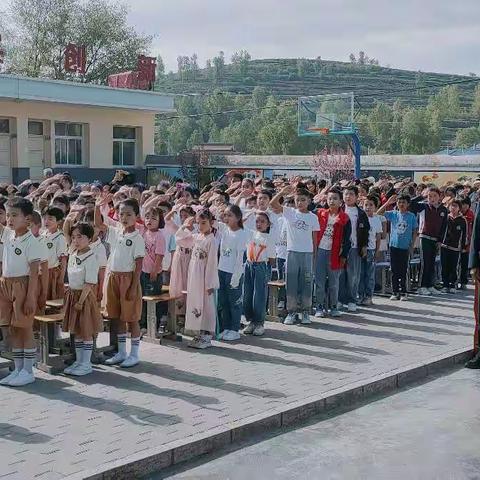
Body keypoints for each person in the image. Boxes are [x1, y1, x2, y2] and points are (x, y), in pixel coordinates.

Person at [95, 197, 145, 368]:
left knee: (131, 318)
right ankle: (122, 352)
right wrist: (97, 205)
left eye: (129, 214)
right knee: (117, 318)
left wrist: (133, 286)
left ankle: (134, 353)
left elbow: (139, 264)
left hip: (128, 279)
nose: (124, 217)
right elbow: (98, 224)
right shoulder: (116, 231)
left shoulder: (137, 237)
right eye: (121, 214)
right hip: (113, 277)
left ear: (136, 216)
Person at [0, 198, 42, 387]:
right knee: (14, 327)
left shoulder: (32, 242)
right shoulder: (8, 235)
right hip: (6, 284)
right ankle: (18, 369)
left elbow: (34, 273)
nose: (9, 219)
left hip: (23, 285)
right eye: (8, 215)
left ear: (28, 219)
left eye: (15, 215)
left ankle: (28, 370)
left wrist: (31, 297)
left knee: (25, 327)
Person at [270, 184, 320, 325]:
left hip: (307, 254)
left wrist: (314, 255)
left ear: (309, 201)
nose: (300, 203)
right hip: (291, 253)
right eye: (298, 200)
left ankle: (305, 311)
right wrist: (281, 192)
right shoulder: (290, 212)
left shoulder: (312, 217)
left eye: (303, 200)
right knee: (291, 284)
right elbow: (273, 203)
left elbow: (314, 238)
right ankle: (291, 312)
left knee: (306, 283)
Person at [175, 209, 219, 349]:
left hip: (204, 278)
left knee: (206, 305)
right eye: (198, 223)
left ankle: (206, 335)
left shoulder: (212, 240)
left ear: (211, 223)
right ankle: (198, 333)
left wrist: (210, 283)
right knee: (195, 302)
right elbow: (180, 240)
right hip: (194, 276)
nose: (200, 226)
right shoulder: (196, 237)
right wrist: (185, 226)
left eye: (204, 223)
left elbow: (212, 263)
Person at [62, 223, 102, 376]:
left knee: (85, 330)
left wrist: (80, 301)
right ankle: (79, 361)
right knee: (76, 330)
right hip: (73, 295)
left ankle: (86, 363)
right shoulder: (73, 253)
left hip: (84, 298)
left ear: (89, 239)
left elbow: (89, 283)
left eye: (80, 237)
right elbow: (66, 229)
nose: (76, 240)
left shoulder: (91, 257)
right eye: (73, 237)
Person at [314, 188, 351, 317]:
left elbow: (347, 240)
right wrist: (316, 199)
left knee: (334, 282)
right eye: (329, 198)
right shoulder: (320, 213)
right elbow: (307, 210)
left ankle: (334, 306)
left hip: (335, 253)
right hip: (320, 252)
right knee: (319, 281)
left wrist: (343, 255)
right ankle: (319, 307)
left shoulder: (345, 218)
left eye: (335, 198)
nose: (332, 201)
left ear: (341, 201)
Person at [217, 205, 248, 341]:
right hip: (222, 270)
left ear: (238, 217)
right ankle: (226, 327)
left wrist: (236, 276)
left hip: (234, 272)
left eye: (230, 215)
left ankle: (235, 329)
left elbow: (240, 257)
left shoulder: (241, 234)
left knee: (234, 302)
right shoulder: (224, 230)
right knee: (223, 301)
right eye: (226, 215)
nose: (227, 218)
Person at [378, 194, 418, 300]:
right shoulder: (394, 214)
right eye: (399, 202)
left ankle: (404, 291)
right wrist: (388, 203)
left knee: (403, 270)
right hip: (393, 246)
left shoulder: (411, 216)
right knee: (394, 270)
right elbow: (378, 213)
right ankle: (395, 292)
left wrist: (412, 245)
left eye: (403, 202)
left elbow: (415, 231)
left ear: (408, 204)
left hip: (405, 247)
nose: (401, 204)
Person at [243, 211, 276, 336]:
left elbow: (272, 259)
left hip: (261, 266)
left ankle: (259, 322)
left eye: (263, 221)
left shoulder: (269, 238)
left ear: (268, 225)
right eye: (257, 221)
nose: (259, 224)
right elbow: (241, 224)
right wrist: (250, 213)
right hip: (249, 265)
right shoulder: (250, 234)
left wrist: (266, 270)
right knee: (247, 294)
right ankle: (251, 321)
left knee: (259, 296)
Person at [410, 187, 448, 295]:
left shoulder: (444, 210)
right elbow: (411, 203)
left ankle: (430, 285)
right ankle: (421, 286)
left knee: (432, 263)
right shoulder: (423, 206)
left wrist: (441, 240)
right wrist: (421, 195)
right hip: (424, 237)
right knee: (425, 262)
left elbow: (444, 227)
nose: (432, 198)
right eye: (429, 196)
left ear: (440, 197)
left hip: (435, 240)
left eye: (434, 196)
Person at [339, 185, 370, 311]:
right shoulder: (338, 210)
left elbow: (365, 231)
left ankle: (352, 299)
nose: (348, 196)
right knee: (340, 275)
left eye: (351, 194)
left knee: (353, 275)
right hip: (340, 248)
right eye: (346, 194)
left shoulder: (361, 213)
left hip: (355, 247)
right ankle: (339, 299)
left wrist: (364, 246)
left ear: (357, 197)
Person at [358, 195, 383, 305]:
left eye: (371, 205)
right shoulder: (361, 217)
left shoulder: (377, 219)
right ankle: (360, 295)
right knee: (360, 273)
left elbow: (378, 237)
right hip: (360, 249)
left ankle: (369, 296)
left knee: (369, 274)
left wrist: (377, 250)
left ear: (375, 207)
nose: (368, 207)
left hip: (371, 250)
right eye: (366, 205)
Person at [440, 199, 467, 293]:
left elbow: (465, 235)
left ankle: (453, 284)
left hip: (456, 247)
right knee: (444, 266)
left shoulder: (463, 220)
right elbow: (441, 230)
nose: (453, 207)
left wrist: (463, 247)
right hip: (444, 245)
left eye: (455, 206)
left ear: (459, 208)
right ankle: (445, 285)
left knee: (454, 266)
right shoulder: (446, 218)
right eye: (452, 205)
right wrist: (440, 241)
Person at [41, 206, 68, 301]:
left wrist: (61, 279)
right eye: (44, 218)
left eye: (50, 219)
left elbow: (63, 259)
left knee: (51, 295)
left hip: (52, 272)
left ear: (59, 221)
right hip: (41, 271)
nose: (46, 221)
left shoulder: (60, 238)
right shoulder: (42, 235)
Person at [459, 196, 474, 289]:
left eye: (465, 204)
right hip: (456, 241)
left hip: (467, 242)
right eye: (462, 204)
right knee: (456, 263)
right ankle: (454, 281)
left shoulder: (471, 216)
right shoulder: (456, 214)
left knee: (464, 263)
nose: (463, 206)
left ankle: (463, 282)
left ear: (469, 205)